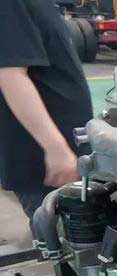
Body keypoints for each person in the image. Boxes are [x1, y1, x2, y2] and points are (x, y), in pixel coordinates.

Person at [0, 0, 93, 220]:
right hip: (44, 160)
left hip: (69, 151)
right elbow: (10, 75)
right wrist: (57, 149)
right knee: (64, 235)